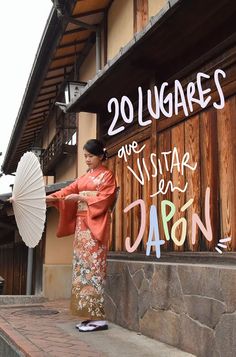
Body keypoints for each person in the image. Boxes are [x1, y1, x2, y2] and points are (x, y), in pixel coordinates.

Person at [46, 139, 117, 332]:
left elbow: (105, 199)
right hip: (81, 228)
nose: (87, 159)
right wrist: (50, 198)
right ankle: (89, 315)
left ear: (101, 156)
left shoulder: (107, 176)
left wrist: (82, 198)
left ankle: (99, 317)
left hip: (94, 226)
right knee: (82, 270)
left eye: (90, 156)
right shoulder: (86, 176)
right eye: (85, 156)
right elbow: (68, 190)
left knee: (94, 269)